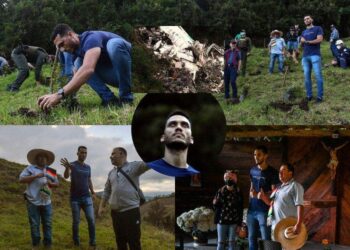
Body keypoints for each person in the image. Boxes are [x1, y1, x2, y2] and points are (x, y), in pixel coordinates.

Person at [38, 23, 133, 110]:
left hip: (135, 73)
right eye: (59, 48)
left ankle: (126, 98)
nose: (62, 49)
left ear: (71, 34)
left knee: (114, 45)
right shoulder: (76, 53)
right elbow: (77, 79)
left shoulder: (90, 38)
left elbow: (88, 69)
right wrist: (61, 99)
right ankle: (110, 100)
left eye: (62, 44)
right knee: (79, 64)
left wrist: (59, 94)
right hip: (118, 76)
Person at [98, 147, 150, 250]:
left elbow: (149, 163)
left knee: (134, 242)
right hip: (115, 214)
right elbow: (107, 190)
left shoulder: (134, 166)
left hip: (131, 212)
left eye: (113, 154)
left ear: (121, 154)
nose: (110, 156)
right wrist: (101, 207)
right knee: (120, 242)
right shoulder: (111, 173)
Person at [19, 149, 59, 248]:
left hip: (47, 202)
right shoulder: (30, 169)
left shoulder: (50, 170)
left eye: (44, 157)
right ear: (36, 159)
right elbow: (21, 179)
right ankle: (36, 245)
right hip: (32, 202)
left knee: (48, 224)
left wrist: (51, 184)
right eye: (40, 157)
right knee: (34, 224)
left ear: (47, 159)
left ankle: (48, 244)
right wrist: (35, 176)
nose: (42, 158)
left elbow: (57, 184)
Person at [60, 146, 96, 247]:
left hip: (87, 197)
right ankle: (76, 242)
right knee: (76, 221)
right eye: (81, 152)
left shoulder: (88, 167)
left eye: (85, 153)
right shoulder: (72, 165)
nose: (83, 154)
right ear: (77, 153)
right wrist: (67, 167)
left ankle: (92, 242)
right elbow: (66, 176)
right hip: (75, 198)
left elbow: (89, 180)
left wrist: (92, 192)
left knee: (91, 219)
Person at [146, 111, 200, 177]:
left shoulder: (196, 176)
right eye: (172, 125)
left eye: (185, 125)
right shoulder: (148, 169)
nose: (179, 128)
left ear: (191, 139)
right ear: (163, 137)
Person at [247, 145, 280, 250]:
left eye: (259, 155)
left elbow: (274, 194)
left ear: (265, 156)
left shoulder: (273, 172)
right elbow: (251, 189)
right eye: (254, 155)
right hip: (251, 211)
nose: (256, 157)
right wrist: (251, 196)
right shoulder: (252, 170)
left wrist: (263, 196)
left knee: (266, 239)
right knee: (251, 238)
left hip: (265, 212)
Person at [265, 163, 304, 239]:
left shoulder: (295, 186)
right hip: (275, 227)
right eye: (279, 171)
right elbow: (271, 205)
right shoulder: (278, 188)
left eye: (283, 170)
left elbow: (300, 205)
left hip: (288, 228)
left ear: (290, 172)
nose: (280, 173)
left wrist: (299, 224)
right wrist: (262, 197)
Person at [213, 170, 243, 250]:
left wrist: (239, 224)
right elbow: (216, 206)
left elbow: (240, 208)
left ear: (235, 179)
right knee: (220, 243)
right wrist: (216, 202)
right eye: (227, 177)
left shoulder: (238, 191)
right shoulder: (221, 190)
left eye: (231, 177)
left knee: (232, 243)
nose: (229, 179)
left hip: (234, 221)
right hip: (222, 220)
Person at [300, 15, 324, 103]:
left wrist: (306, 41)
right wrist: (301, 42)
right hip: (305, 56)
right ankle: (309, 95)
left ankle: (319, 97)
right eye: (304, 19)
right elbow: (302, 44)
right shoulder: (303, 32)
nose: (306, 20)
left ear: (311, 20)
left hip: (315, 55)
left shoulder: (318, 28)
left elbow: (319, 39)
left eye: (308, 18)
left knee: (318, 76)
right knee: (306, 77)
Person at [224, 40, 241, 104]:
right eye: (232, 43)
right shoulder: (227, 52)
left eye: (234, 44)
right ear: (230, 44)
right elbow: (225, 59)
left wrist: (238, 69)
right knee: (226, 82)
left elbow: (239, 60)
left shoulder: (237, 52)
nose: (233, 45)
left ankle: (234, 95)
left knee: (233, 81)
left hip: (233, 68)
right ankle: (227, 96)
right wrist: (224, 67)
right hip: (227, 68)